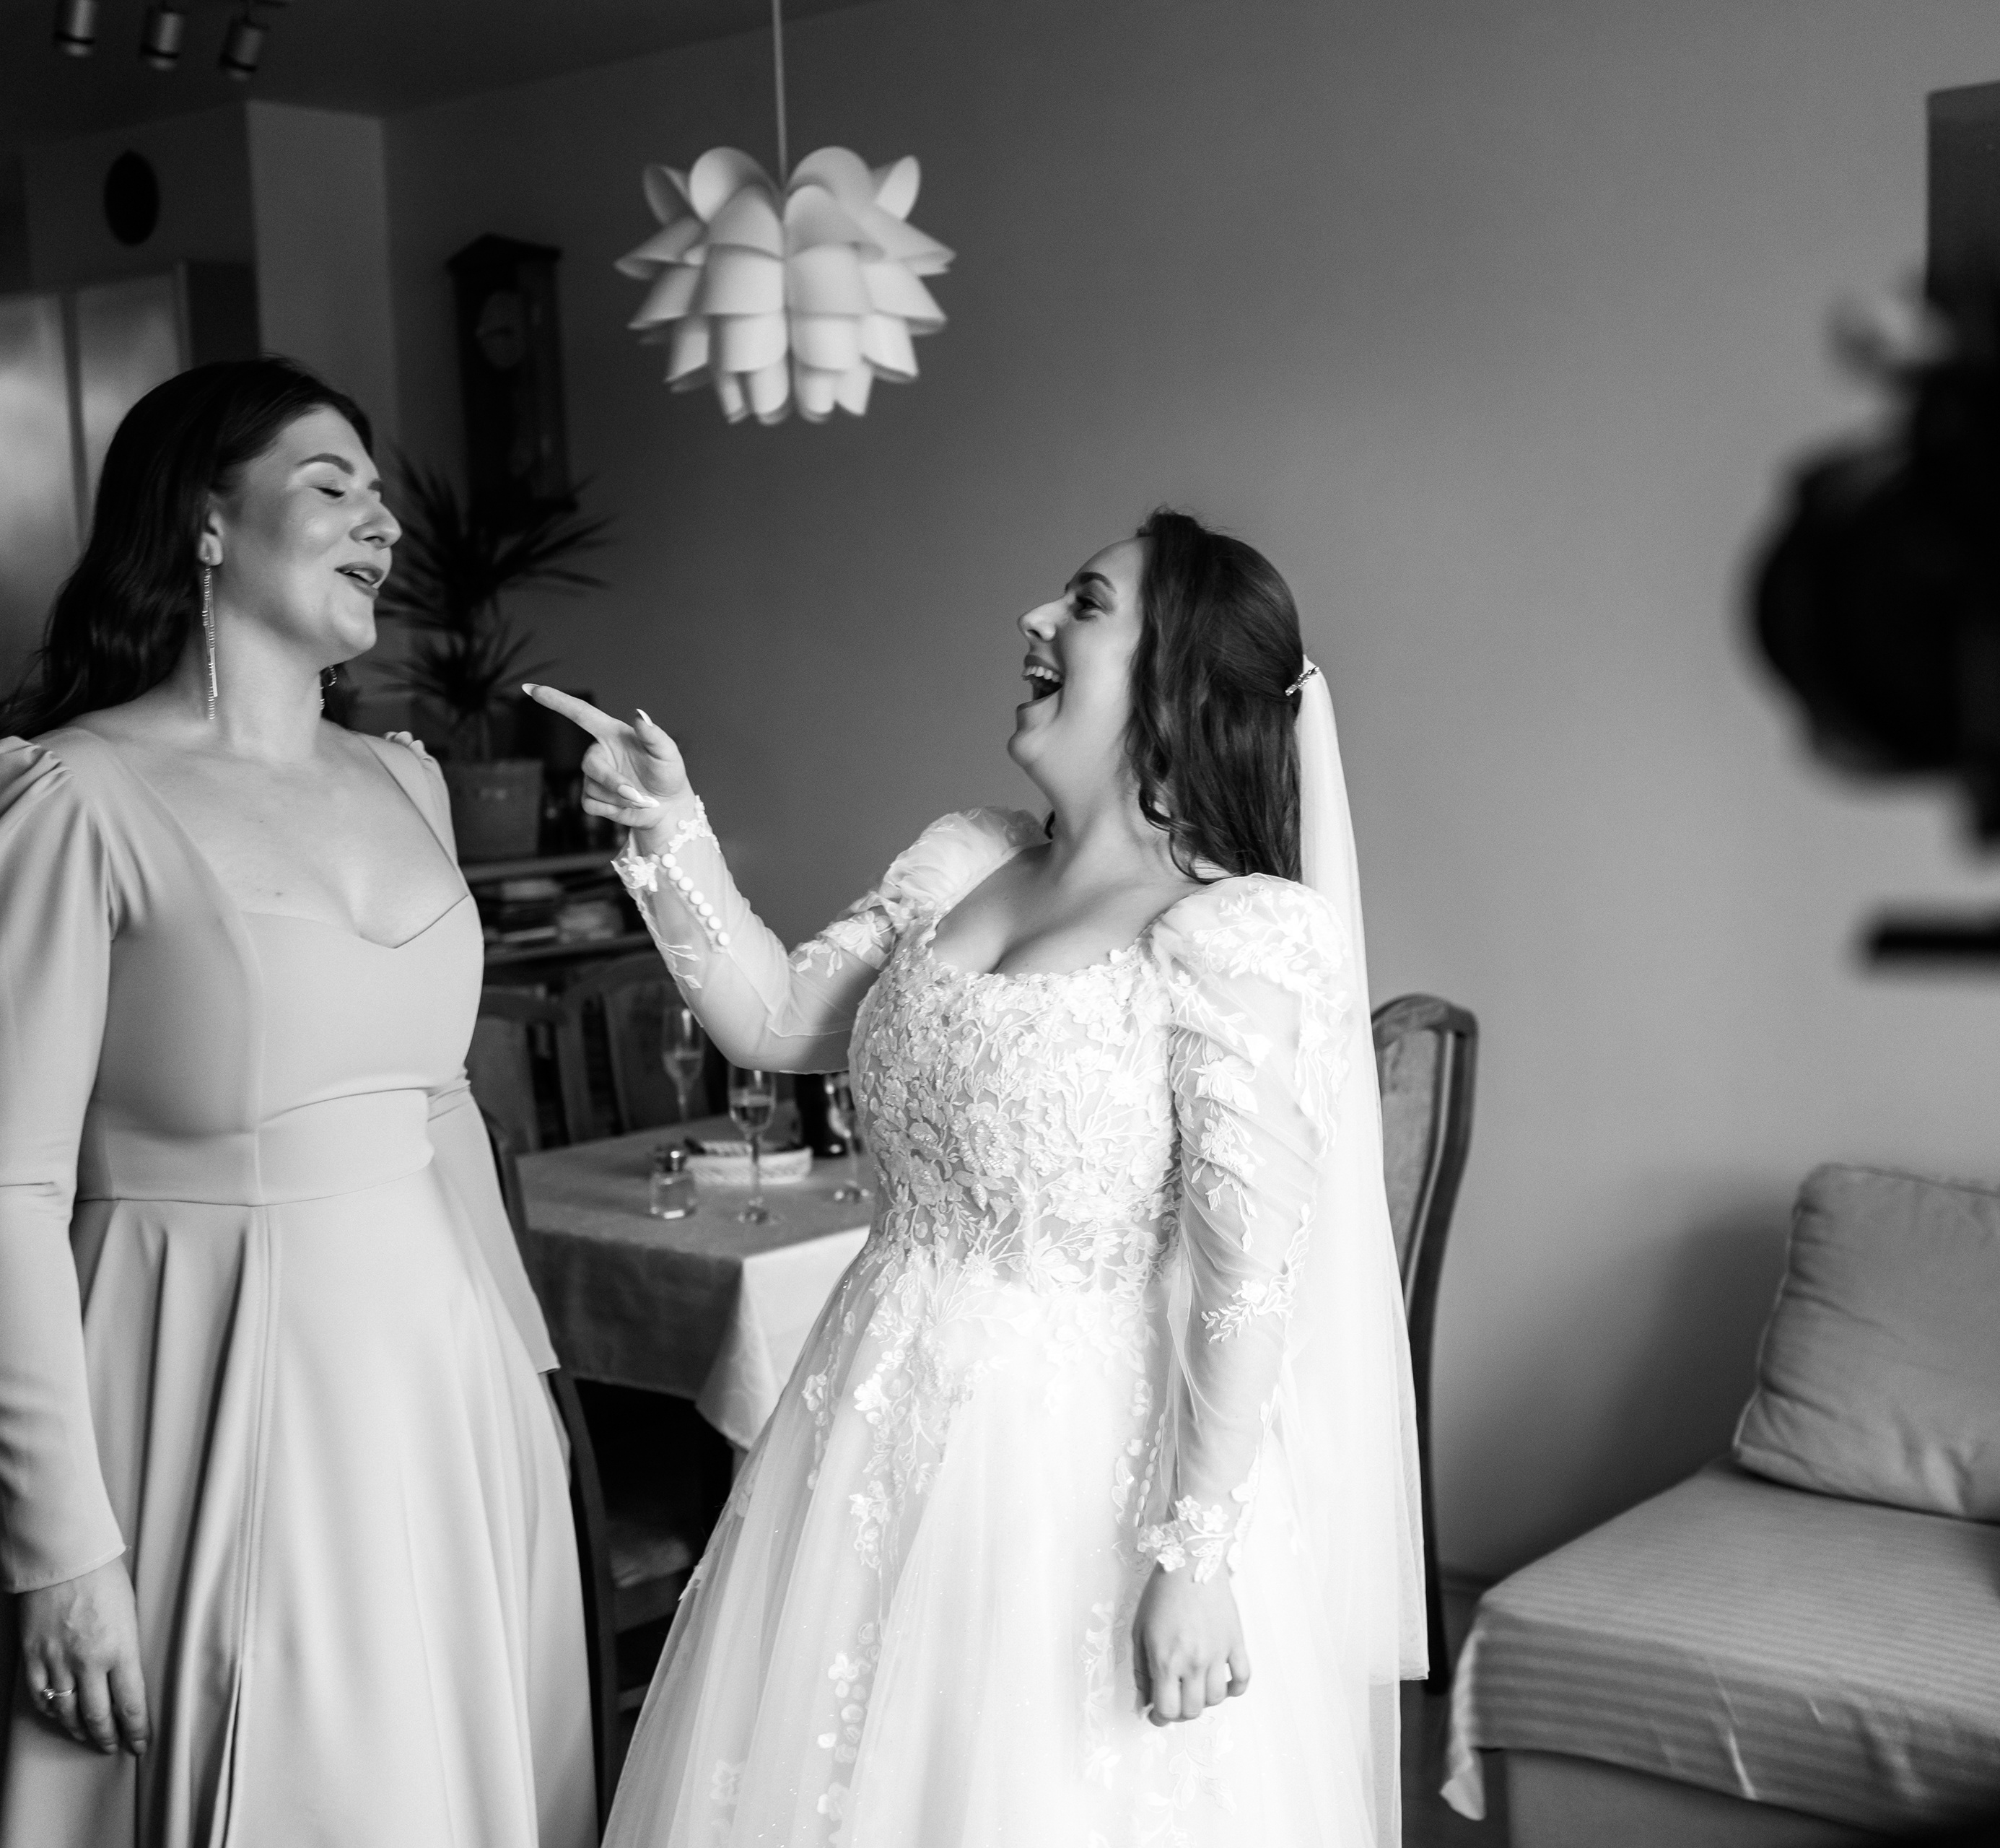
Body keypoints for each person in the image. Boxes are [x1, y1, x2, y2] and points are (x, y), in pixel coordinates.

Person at [531, 507, 1425, 1848]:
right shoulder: (968, 860)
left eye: (1086, 604)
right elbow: (771, 1019)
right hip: (858, 1425)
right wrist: (667, 827)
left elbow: (1249, 1280)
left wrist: (1195, 1555)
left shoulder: (1234, 933)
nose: (1034, 620)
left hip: (1066, 1475)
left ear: (1178, 680)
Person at [0, 358, 590, 1848]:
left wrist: (531, 1383)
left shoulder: (408, 783)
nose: (383, 525)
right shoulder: (66, 800)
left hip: (445, 1381)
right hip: (203, 1362)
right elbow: (3, 1196)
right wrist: (58, 1544)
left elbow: (442, 1105)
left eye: (382, 495)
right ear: (205, 525)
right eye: (331, 485)